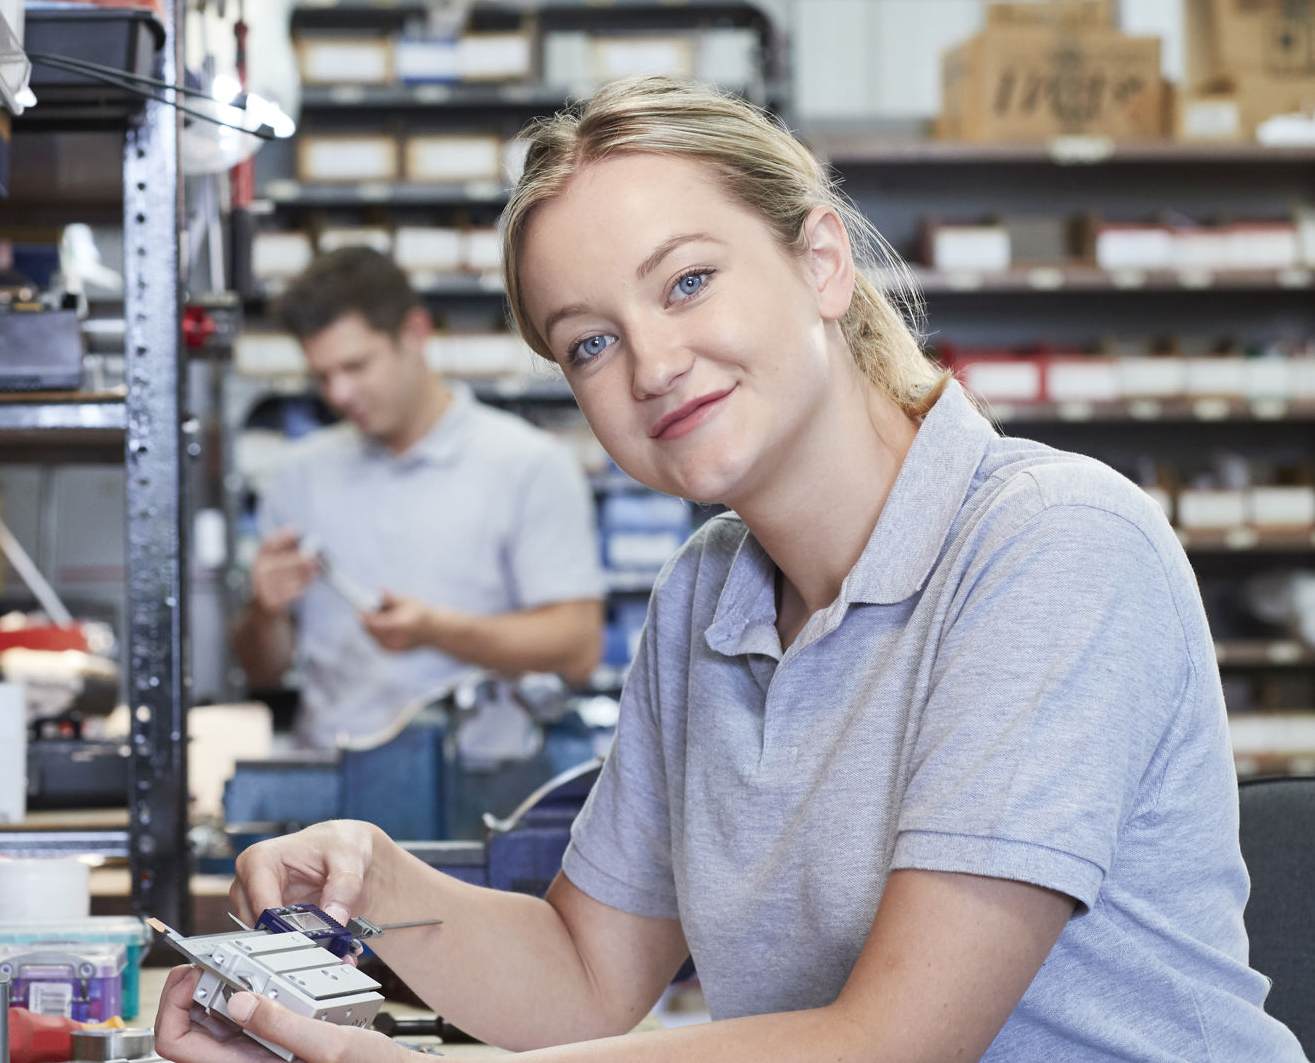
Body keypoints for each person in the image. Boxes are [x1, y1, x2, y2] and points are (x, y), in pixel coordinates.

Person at [163, 77, 1305, 1061]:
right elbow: (583, 979)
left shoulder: (1049, 546)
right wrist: (375, 881)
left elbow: (896, 1040)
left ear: (819, 261)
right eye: (589, 343)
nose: (651, 362)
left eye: (688, 281)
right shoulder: (709, 593)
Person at [232, 246, 606, 750]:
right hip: (329, 781)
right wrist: (265, 610)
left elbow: (578, 648)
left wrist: (439, 631)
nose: (339, 393)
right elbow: (263, 672)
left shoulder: (527, 465)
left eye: (356, 365)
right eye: (322, 376)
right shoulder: (298, 476)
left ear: (414, 333)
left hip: (476, 785)